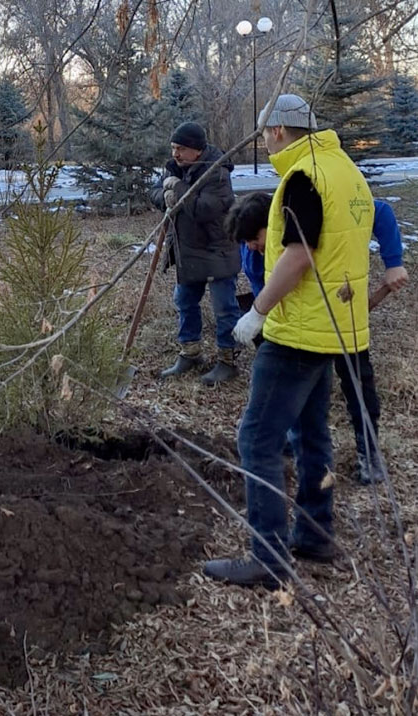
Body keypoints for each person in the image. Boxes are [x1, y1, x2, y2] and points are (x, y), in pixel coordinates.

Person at [204, 94, 374, 589]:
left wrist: (256, 314)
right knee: (311, 432)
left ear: (278, 131)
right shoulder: (346, 171)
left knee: (257, 439)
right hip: (337, 327)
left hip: (299, 330)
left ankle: (269, 557)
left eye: (264, 134)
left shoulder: (304, 178)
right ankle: (316, 534)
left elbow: (299, 256)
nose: (263, 141)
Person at [226, 192, 410, 484]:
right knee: (295, 385)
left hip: (340, 311)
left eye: (254, 238)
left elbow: (381, 212)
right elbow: (267, 294)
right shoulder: (253, 254)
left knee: (357, 381)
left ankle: (369, 453)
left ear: (276, 225)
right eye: (245, 242)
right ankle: (290, 436)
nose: (251, 246)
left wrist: (393, 263)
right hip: (299, 328)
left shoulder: (317, 212)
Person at [150, 121, 241, 385]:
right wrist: (167, 194)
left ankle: (228, 360)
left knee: (224, 307)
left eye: (181, 148)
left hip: (217, 250)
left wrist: (175, 190)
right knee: (185, 301)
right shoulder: (175, 168)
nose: (175, 153)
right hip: (188, 250)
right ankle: (190, 353)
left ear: (197, 150)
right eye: (173, 148)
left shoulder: (218, 172)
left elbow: (205, 209)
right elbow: (154, 192)